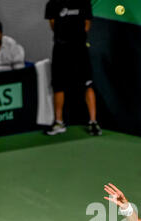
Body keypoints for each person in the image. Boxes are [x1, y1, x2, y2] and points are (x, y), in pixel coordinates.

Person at [45, 0, 102, 136]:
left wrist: (75, 38)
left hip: (79, 49)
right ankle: (59, 122)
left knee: (87, 84)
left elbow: (87, 24)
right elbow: (53, 24)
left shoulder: (84, 2)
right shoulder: (53, 3)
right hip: (60, 49)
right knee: (59, 85)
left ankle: (93, 122)